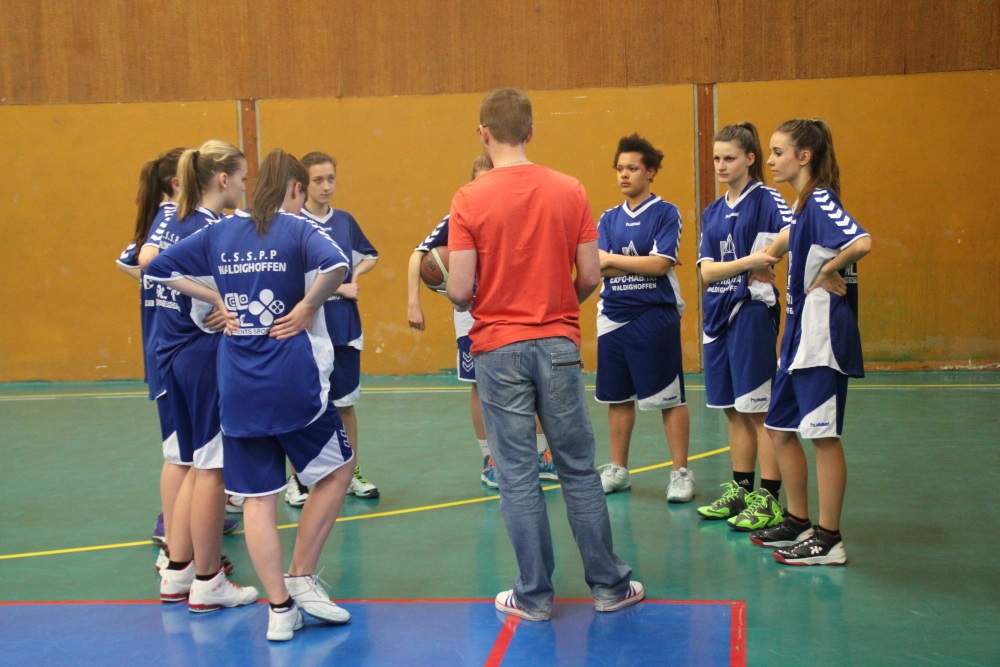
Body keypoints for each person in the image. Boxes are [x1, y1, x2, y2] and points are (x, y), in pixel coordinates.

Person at [447, 88, 642, 621]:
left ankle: (533, 596)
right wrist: (556, 307)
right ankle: (610, 586)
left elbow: (460, 290)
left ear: (483, 134)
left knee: (517, 475)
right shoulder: (569, 189)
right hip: (558, 343)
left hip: (497, 348)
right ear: (531, 131)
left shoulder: (468, 199)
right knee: (578, 469)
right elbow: (590, 275)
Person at [147, 149, 356, 640]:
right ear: (296, 189)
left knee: (259, 499)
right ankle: (301, 576)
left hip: (237, 383)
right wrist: (307, 307)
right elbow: (337, 264)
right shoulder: (296, 228)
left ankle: (280, 610)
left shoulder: (220, 232)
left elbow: (157, 266)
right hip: (291, 380)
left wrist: (215, 297)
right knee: (338, 469)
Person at [139, 140, 258, 611]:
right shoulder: (211, 227)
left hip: (171, 354)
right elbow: (156, 266)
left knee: (189, 463)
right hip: (201, 356)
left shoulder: (174, 215)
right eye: (243, 179)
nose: (244, 188)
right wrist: (214, 300)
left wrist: (203, 298)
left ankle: (178, 570)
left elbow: (149, 263)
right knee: (211, 467)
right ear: (223, 179)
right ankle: (208, 579)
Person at [749, 119, 872, 565]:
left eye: (778, 152)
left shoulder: (820, 199)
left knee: (823, 436)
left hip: (822, 339)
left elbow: (862, 241)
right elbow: (789, 238)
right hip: (797, 339)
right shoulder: (802, 206)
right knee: (779, 429)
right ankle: (798, 520)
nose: (770, 160)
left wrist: (827, 269)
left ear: (804, 157)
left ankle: (829, 538)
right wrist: (765, 259)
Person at [406, 155, 558, 488]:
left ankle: (541, 454)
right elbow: (419, 255)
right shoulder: (459, 216)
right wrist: (414, 303)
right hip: (472, 315)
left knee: (530, 379)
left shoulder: (518, 213)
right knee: (479, 384)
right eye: (479, 181)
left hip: (514, 310)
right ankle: (490, 458)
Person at [695, 122, 790, 530]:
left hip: (751, 311)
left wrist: (768, 256)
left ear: (750, 159)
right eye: (717, 158)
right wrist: (751, 262)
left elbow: (795, 229)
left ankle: (768, 498)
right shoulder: (713, 211)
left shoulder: (767, 198)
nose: (721, 165)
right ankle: (741, 490)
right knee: (733, 410)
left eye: (730, 158)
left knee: (759, 411)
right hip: (716, 313)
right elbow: (706, 272)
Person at [595, 133, 695, 503]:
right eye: (619, 169)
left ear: (650, 172)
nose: (624, 175)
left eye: (632, 168)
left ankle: (680, 473)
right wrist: (633, 262)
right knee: (617, 397)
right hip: (613, 316)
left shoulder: (666, 213)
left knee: (669, 398)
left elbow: (659, 265)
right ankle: (618, 469)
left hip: (654, 315)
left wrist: (614, 260)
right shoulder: (608, 218)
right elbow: (598, 266)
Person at [298, 152, 380, 500]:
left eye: (330, 178)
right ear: (303, 184)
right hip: (306, 332)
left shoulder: (344, 221)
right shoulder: (293, 223)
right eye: (318, 180)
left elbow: (369, 255)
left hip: (344, 328)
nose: (326, 186)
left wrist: (354, 274)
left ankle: (350, 472)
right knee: (304, 409)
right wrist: (338, 287)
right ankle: (299, 480)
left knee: (344, 405)